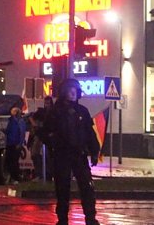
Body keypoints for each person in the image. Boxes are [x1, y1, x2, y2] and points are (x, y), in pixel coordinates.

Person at [43, 78, 101, 225]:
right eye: (70, 90)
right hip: (62, 155)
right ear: (64, 92)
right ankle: (62, 220)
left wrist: (94, 151)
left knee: (87, 187)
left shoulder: (82, 111)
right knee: (62, 189)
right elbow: (45, 133)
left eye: (75, 90)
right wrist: (54, 144)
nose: (73, 93)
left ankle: (90, 218)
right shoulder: (55, 112)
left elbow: (90, 133)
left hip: (79, 155)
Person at [4, 107, 26, 183]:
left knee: (13, 161)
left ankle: (15, 177)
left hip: (14, 144)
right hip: (11, 143)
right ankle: (13, 177)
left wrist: (19, 143)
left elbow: (21, 133)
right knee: (11, 161)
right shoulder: (12, 121)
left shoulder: (18, 122)